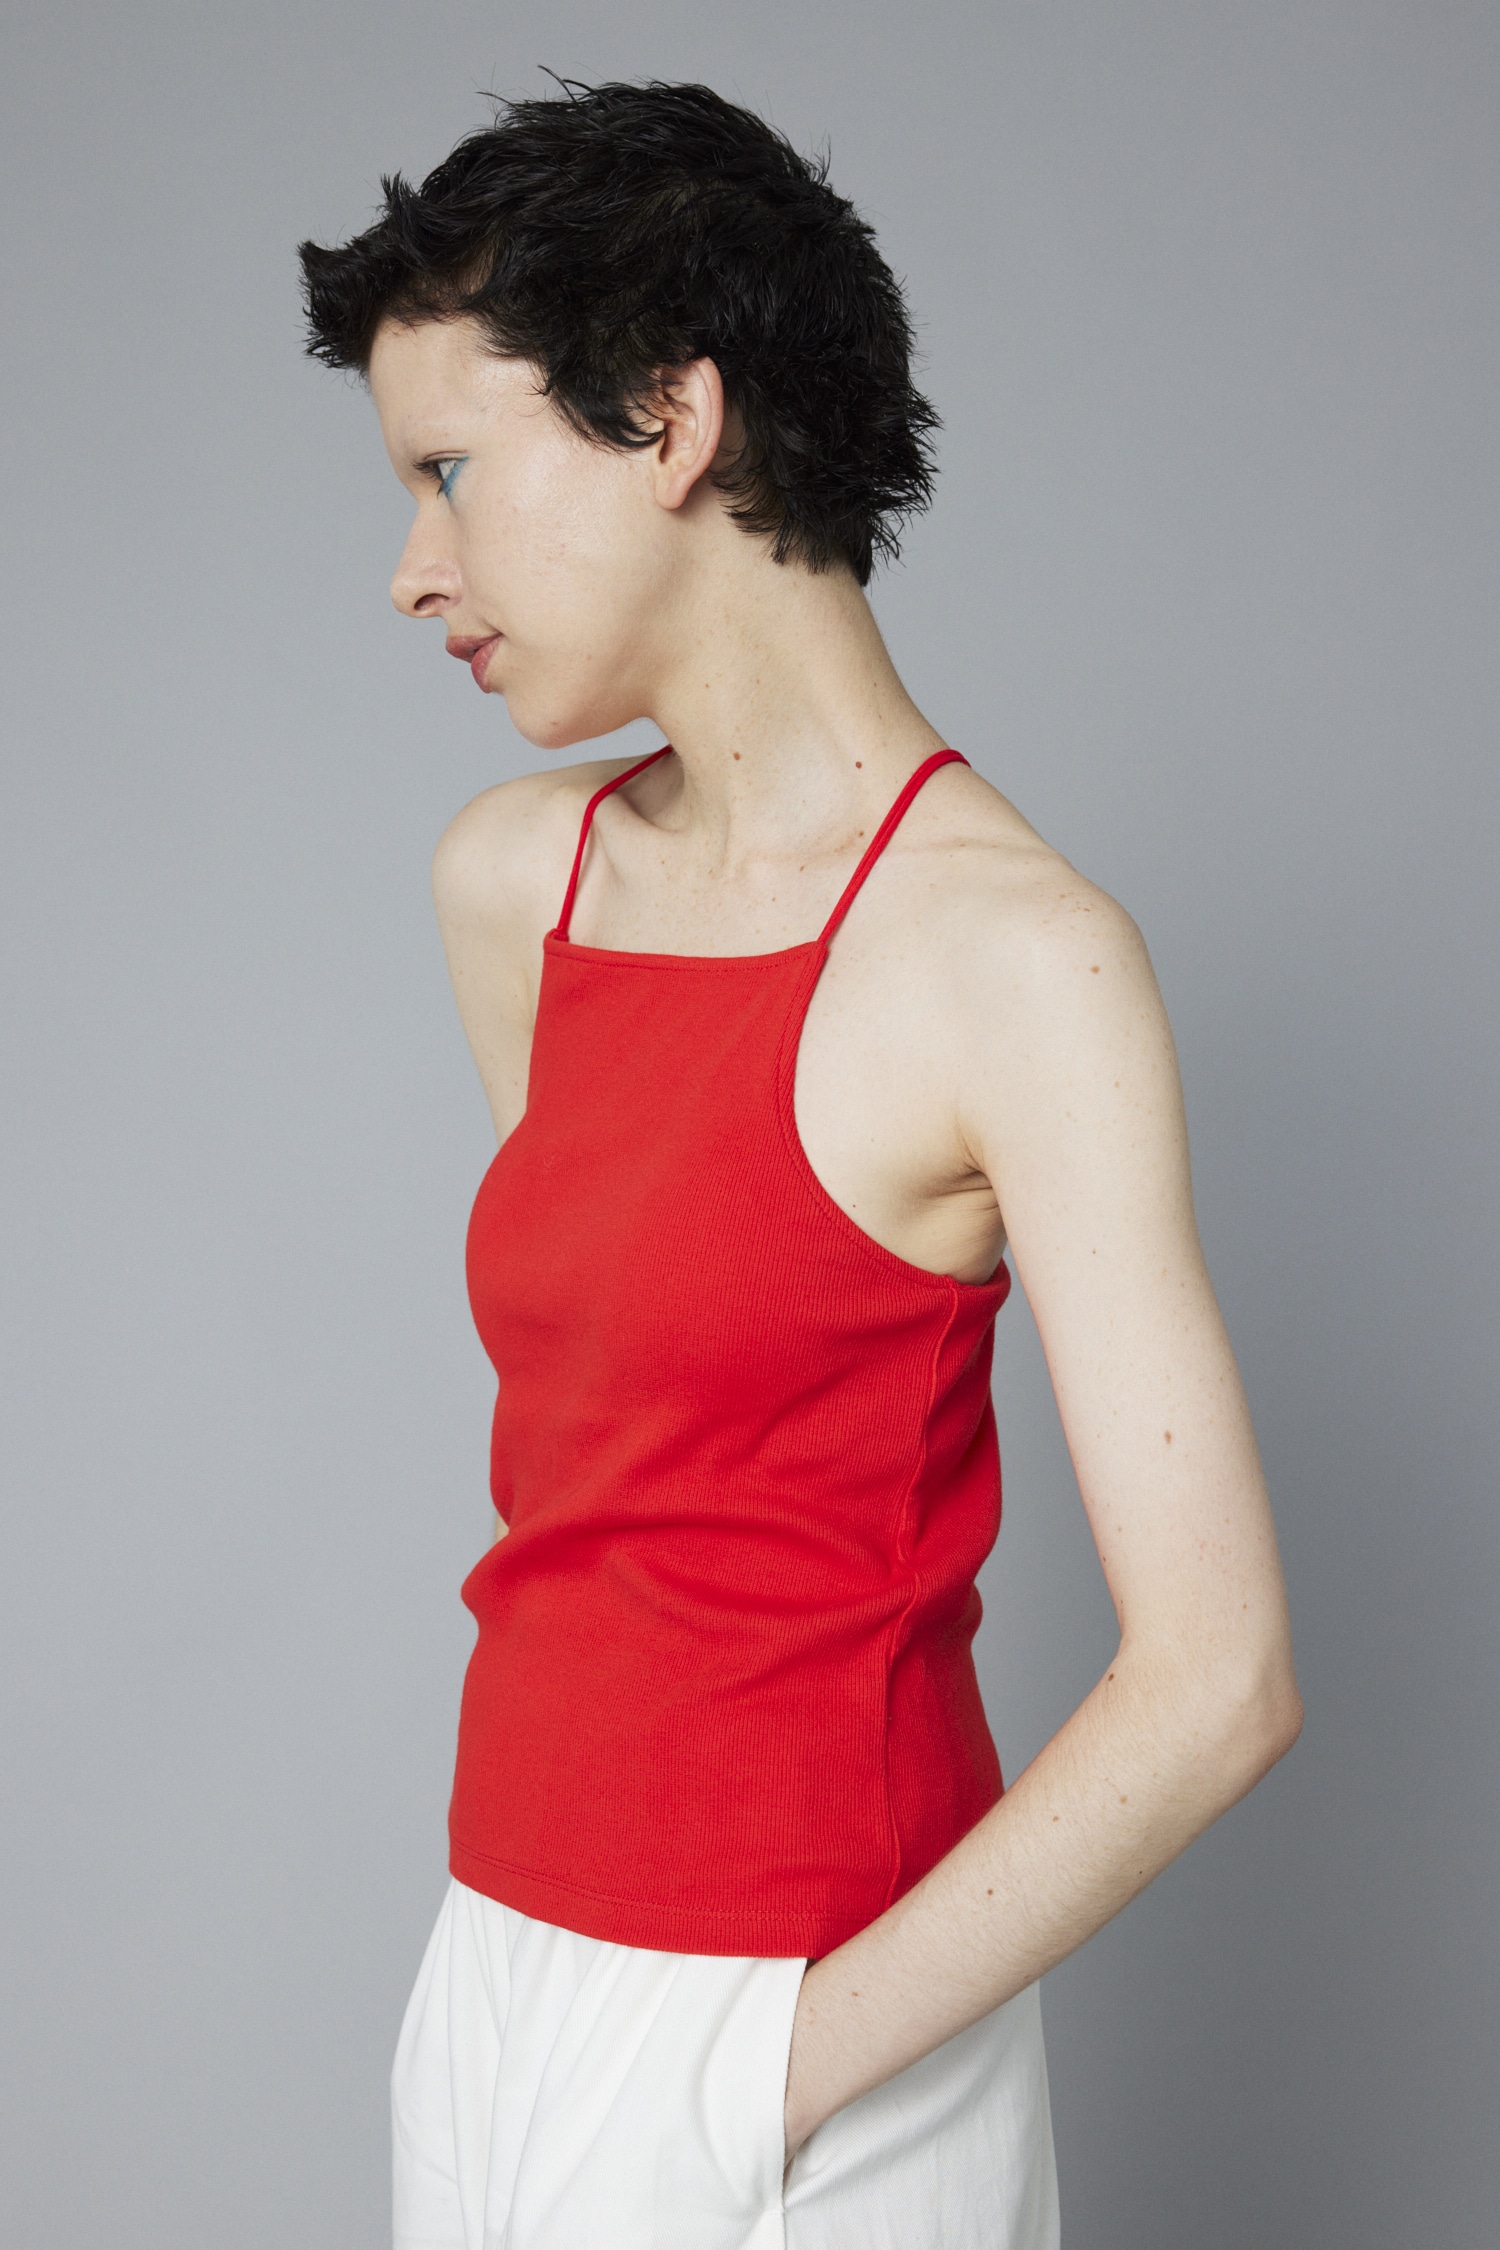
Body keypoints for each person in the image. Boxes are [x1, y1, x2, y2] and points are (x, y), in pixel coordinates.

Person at [299, 77, 1302, 2250]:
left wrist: (771, 2080)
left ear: (670, 417)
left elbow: (1218, 1678)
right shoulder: (517, 887)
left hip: (797, 2025)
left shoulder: (1018, 961)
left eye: (448, 472)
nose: (411, 571)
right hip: (492, 1969)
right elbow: (643, 1455)